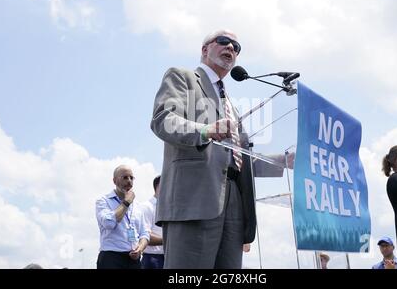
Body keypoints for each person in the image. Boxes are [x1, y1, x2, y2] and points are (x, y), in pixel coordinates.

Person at [150, 29, 294, 269]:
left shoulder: (230, 105)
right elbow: (163, 120)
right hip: (194, 200)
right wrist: (204, 130)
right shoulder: (182, 77)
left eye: (236, 47)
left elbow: (239, 157)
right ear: (205, 49)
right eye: (224, 41)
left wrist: (283, 161)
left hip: (235, 202)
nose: (231, 48)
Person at [95, 165, 150, 269]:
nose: (129, 181)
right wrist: (127, 202)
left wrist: (140, 249)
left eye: (131, 178)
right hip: (111, 257)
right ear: (114, 181)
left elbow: (144, 233)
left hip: (133, 259)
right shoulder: (103, 201)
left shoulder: (138, 206)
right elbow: (109, 223)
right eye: (125, 177)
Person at [141, 175, 164, 269]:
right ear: (159, 186)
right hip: (153, 259)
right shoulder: (147, 207)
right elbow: (145, 235)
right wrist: (170, 240)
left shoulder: (170, 208)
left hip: (168, 258)